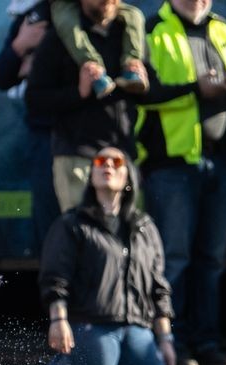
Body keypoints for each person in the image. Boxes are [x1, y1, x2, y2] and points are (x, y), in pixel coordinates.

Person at [40, 146, 181, 365]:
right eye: (100, 162)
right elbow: (55, 277)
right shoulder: (73, 224)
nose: (107, 167)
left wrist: (164, 337)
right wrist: (59, 319)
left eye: (116, 162)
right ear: (91, 175)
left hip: (138, 330)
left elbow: (158, 286)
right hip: (92, 327)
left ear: (128, 176)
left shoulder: (144, 227)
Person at [134, 0, 226, 365]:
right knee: (173, 259)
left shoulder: (224, 30)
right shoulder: (151, 30)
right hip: (171, 164)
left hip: (221, 162)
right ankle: (173, 344)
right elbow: (141, 94)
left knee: (211, 260)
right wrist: (195, 89)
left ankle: (207, 343)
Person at [26, 0, 148, 212]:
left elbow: (150, 95)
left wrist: (145, 82)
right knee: (84, 237)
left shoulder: (129, 31)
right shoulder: (60, 36)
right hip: (78, 157)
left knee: (127, 237)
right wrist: (78, 93)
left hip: (122, 157)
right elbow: (34, 100)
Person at [0, 0, 59, 246]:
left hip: (82, 137)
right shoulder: (33, 15)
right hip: (43, 138)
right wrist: (22, 44)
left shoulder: (88, 11)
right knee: (50, 227)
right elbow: (3, 76)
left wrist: (39, 62)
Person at [49, 0, 146, 96]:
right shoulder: (56, 35)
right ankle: (93, 69)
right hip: (65, 4)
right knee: (68, 23)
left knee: (134, 15)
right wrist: (78, 93)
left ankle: (132, 67)